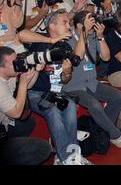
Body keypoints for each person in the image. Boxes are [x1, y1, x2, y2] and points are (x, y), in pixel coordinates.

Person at [27, 9, 92, 165]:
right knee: (53, 111)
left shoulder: (65, 48)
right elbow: (21, 34)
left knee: (69, 106)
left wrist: (68, 72)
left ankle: (69, 156)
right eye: (64, 22)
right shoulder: (39, 41)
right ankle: (66, 158)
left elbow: (64, 80)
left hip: (55, 92)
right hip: (34, 93)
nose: (69, 26)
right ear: (52, 25)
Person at [64, 11, 121, 148]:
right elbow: (79, 56)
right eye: (89, 21)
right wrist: (83, 32)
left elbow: (106, 57)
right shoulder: (68, 39)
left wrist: (100, 37)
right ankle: (114, 134)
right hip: (73, 86)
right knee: (94, 105)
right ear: (78, 25)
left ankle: (102, 132)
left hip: (92, 83)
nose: (92, 24)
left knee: (119, 97)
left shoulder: (93, 37)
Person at [0, 46, 51, 165]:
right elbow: (16, 113)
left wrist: (36, 70)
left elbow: (28, 86)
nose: (18, 63)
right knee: (44, 149)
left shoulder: (8, 74)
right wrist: (22, 83)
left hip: (3, 125)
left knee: (28, 123)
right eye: (14, 62)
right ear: (1, 68)